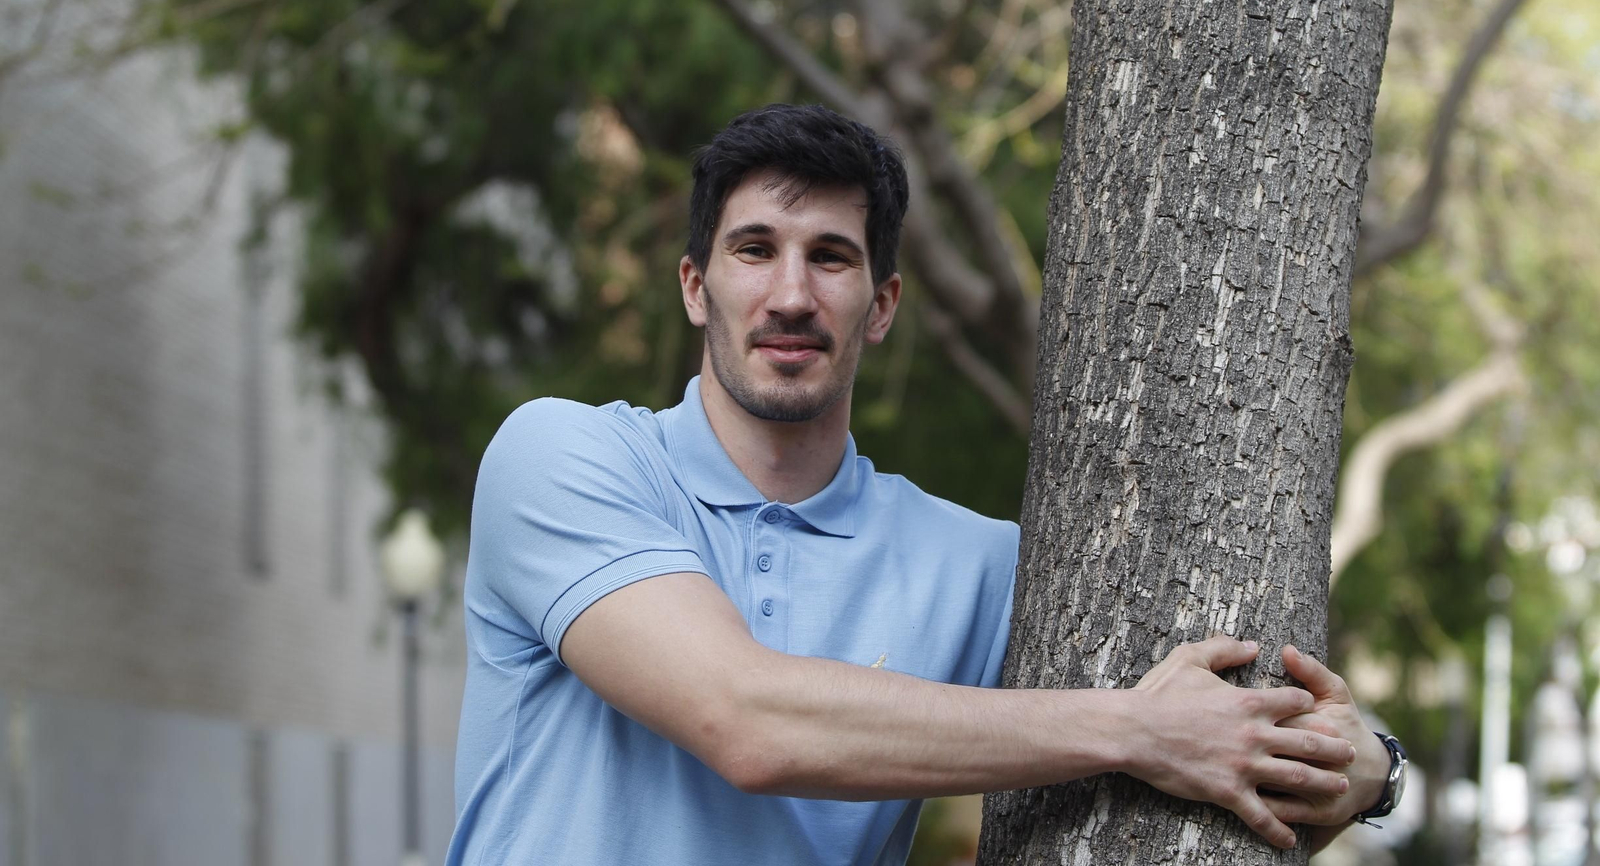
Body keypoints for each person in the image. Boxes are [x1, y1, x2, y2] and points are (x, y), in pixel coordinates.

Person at [445, 104, 1402, 865]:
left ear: (883, 304)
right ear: (696, 286)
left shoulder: (977, 566)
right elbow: (742, 719)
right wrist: (1132, 729)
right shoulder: (560, 459)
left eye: (830, 256)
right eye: (753, 250)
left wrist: (1372, 766)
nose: (789, 295)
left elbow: (1233, 711)